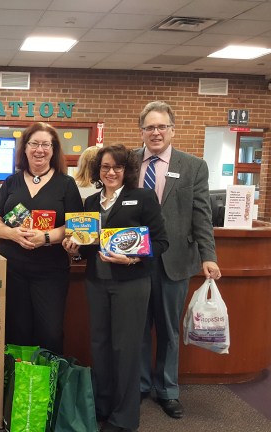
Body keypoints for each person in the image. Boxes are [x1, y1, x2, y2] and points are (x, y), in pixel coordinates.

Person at [63, 144, 168, 432]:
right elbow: (87, 249)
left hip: (131, 284)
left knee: (126, 348)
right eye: (105, 167)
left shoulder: (143, 198)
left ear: (127, 170)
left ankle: (124, 417)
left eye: (117, 167)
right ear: (98, 170)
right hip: (97, 282)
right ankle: (103, 405)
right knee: (100, 345)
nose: (111, 172)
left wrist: (133, 257)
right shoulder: (91, 202)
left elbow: (161, 242)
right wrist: (74, 248)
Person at [136, 101, 222, 419]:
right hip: (134, 260)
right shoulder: (128, 162)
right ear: (141, 130)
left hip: (175, 260)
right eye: (149, 127)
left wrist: (208, 256)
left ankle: (168, 390)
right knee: (138, 326)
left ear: (172, 129)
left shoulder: (193, 166)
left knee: (169, 329)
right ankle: (142, 384)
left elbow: (202, 216)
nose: (156, 132)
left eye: (162, 126)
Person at [0, 122, 83, 354]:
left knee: (49, 332)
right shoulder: (12, 182)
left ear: (54, 149)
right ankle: (20, 387)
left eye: (45, 144)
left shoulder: (66, 184)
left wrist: (47, 237)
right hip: (14, 270)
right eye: (34, 144)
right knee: (17, 331)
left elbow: (76, 225)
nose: (39, 150)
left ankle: (47, 388)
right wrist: (13, 234)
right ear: (25, 148)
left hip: (50, 271)